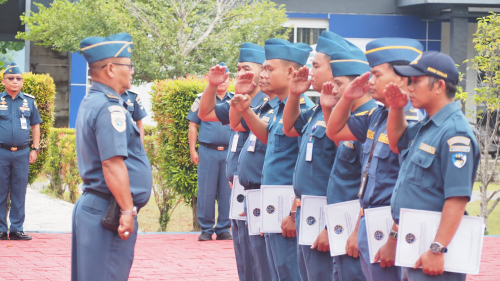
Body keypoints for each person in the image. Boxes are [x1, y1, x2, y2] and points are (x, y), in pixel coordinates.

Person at [325, 38, 425, 281]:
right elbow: (334, 131)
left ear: (401, 78)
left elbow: (410, 188)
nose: (370, 81)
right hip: (369, 219)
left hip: (393, 224)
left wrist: (393, 236)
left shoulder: (413, 121)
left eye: (376, 74)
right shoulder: (377, 115)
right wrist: (347, 97)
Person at [384, 51, 479, 281]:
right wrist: (396, 108)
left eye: (416, 81)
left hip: (435, 252)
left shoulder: (455, 133)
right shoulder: (428, 125)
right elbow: (396, 142)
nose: (409, 88)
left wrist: (438, 248)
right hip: (414, 246)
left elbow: (456, 198)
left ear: (439, 86)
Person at [230, 38, 315, 281]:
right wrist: (246, 109)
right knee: (271, 271)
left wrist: (294, 211)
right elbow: (267, 136)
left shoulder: (302, 110)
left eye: (269, 69)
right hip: (270, 201)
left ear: (290, 72)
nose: (262, 75)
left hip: (286, 203)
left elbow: (307, 169)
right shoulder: (278, 109)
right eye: (263, 69)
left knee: (289, 271)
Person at [72, 33, 153, 281]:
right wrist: (128, 211)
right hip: (109, 212)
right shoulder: (110, 107)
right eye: (128, 65)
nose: (131, 71)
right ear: (109, 69)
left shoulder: (94, 100)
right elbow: (112, 162)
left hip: (98, 207)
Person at [281, 30, 353, 280]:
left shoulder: (344, 117)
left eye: (316, 65)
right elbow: (288, 128)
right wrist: (294, 94)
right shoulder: (318, 112)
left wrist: (328, 226)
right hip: (306, 212)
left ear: (335, 71)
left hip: (326, 215)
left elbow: (344, 177)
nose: (310, 70)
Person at [198, 44, 268, 280]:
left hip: (261, 194)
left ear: (264, 70)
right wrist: (211, 84)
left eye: (247, 68)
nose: (241, 74)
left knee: (263, 265)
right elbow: (205, 113)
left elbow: (240, 125)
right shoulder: (240, 99)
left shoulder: (270, 105)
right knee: (245, 265)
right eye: (238, 69)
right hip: (240, 191)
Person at [312, 36, 377, 281]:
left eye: (339, 83)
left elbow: (368, 183)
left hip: (355, 225)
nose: (335, 89)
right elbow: (336, 135)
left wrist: (356, 229)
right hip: (340, 222)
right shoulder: (355, 120)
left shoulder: (370, 118)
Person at [187, 62, 233, 242]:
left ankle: (223, 228)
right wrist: (193, 150)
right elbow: (193, 125)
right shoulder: (203, 98)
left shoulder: (235, 99)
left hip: (229, 152)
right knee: (205, 191)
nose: (222, 83)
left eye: (226, 78)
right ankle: (206, 228)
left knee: (226, 192)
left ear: (229, 79)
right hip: (208, 151)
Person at [0, 62, 41, 241]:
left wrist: (35, 149)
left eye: (18, 78)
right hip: (1, 152)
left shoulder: (29, 102)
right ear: (3, 81)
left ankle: (17, 229)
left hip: (22, 154)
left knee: (19, 191)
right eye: (10, 78)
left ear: (22, 82)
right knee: (0, 191)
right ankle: (1, 229)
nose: (15, 81)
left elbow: (35, 126)